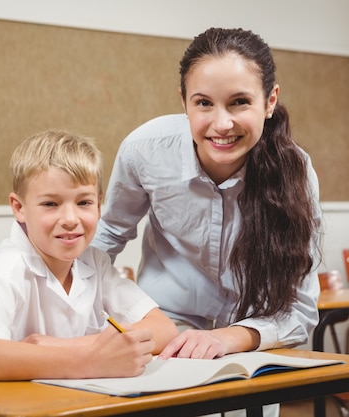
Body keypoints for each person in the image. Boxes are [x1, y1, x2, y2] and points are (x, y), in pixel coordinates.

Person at [92, 28, 322, 416]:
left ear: (270, 101)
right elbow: (107, 237)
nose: (222, 124)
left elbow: (299, 311)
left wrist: (231, 338)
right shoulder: (144, 151)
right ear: (184, 102)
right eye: (203, 103)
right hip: (166, 329)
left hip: (247, 340)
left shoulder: (295, 172)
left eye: (239, 102)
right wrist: (75, 315)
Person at [0, 129, 178, 381]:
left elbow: (164, 328)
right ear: (19, 208)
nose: (70, 219)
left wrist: (69, 346)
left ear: (99, 205)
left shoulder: (95, 263)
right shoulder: (9, 267)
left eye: (83, 203)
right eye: (50, 204)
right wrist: (91, 361)